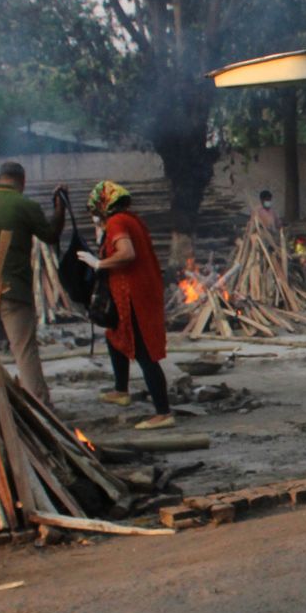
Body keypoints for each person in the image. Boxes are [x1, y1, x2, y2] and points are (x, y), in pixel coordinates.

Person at [0, 161, 67, 403]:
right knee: (23, 349)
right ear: (22, 182)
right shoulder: (25, 205)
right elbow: (51, 235)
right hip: (13, 288)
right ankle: (38, 404)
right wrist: (59, 208)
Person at [81, 182, 173, 430]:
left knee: (144, 352)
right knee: (114, 336)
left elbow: (127, 253)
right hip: (132, 291)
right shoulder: (128, 220)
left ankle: (163, 412)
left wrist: (98, 264)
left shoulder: (117, 223)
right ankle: (121, 390)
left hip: (134, 294)